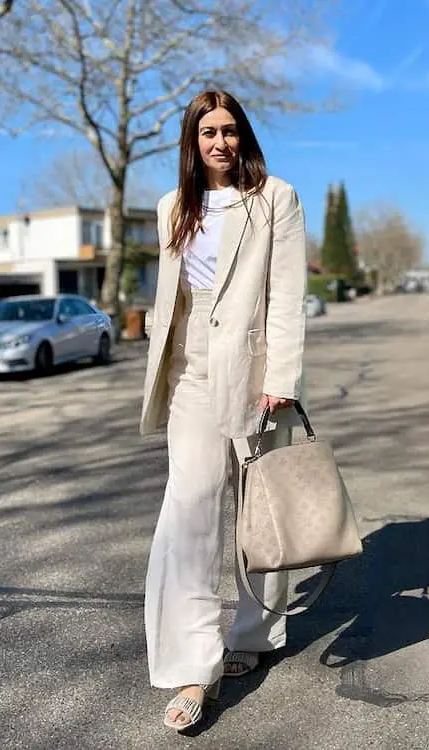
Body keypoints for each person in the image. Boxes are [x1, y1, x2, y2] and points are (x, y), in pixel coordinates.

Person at [140, 90, 307, 732]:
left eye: (230, 130)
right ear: (191, 140)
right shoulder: (170, 208)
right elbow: (173, 293)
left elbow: (287, 295)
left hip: (256, 368)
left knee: (256, 507)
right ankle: (191, 669)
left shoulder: (276, 199)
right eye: (207, 131)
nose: (219, 142)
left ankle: (255, 634)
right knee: (191, 510)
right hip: (190, 368)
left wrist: (282, 378)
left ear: (244, 136)